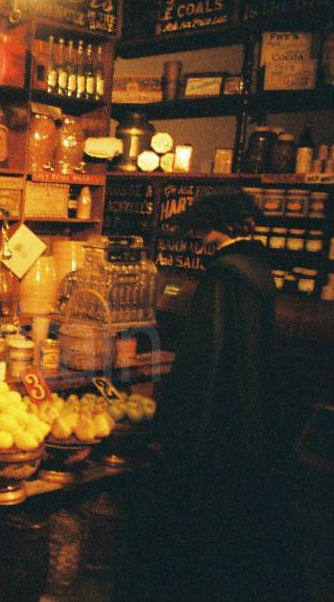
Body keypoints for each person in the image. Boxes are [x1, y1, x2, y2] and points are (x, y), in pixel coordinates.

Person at [119, 188, 304, 601]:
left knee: (200, 516)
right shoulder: (257, 268)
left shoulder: (224, 276)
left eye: (200, 228)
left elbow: (205, 357)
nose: (196, 236)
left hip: (216, 419)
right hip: (247, 413)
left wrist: (175, 424)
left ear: (214, 227)